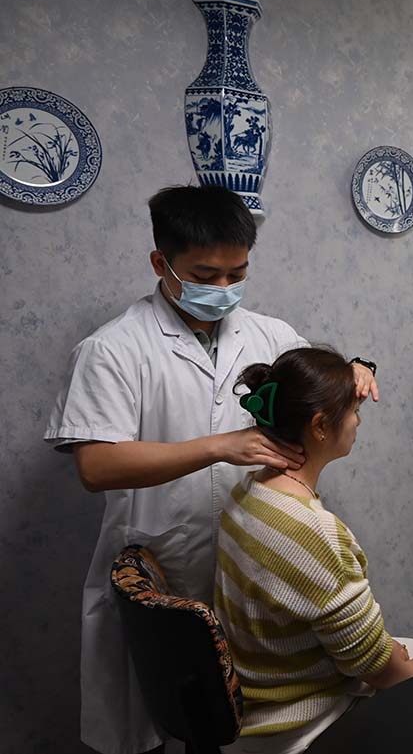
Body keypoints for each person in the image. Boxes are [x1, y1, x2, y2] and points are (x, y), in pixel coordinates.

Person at [44, 185, 380, 754]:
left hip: (248, 576)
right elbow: (97, 466)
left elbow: (313, 387)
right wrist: (219, 446)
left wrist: (358, 367)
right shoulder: (114, 349)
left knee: (233, 729)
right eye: (206, 275)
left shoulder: (269, 335)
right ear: (162, 263)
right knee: (154, 727)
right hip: (163, 568)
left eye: (237, 274)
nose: (224, 288)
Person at [215, 348, 413, 753]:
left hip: (255, 703)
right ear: (320, 427)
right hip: (299, 726)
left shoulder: (247, 492)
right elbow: (378, 668)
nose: (358, 421)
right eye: (353, 412)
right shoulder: (313, 531)